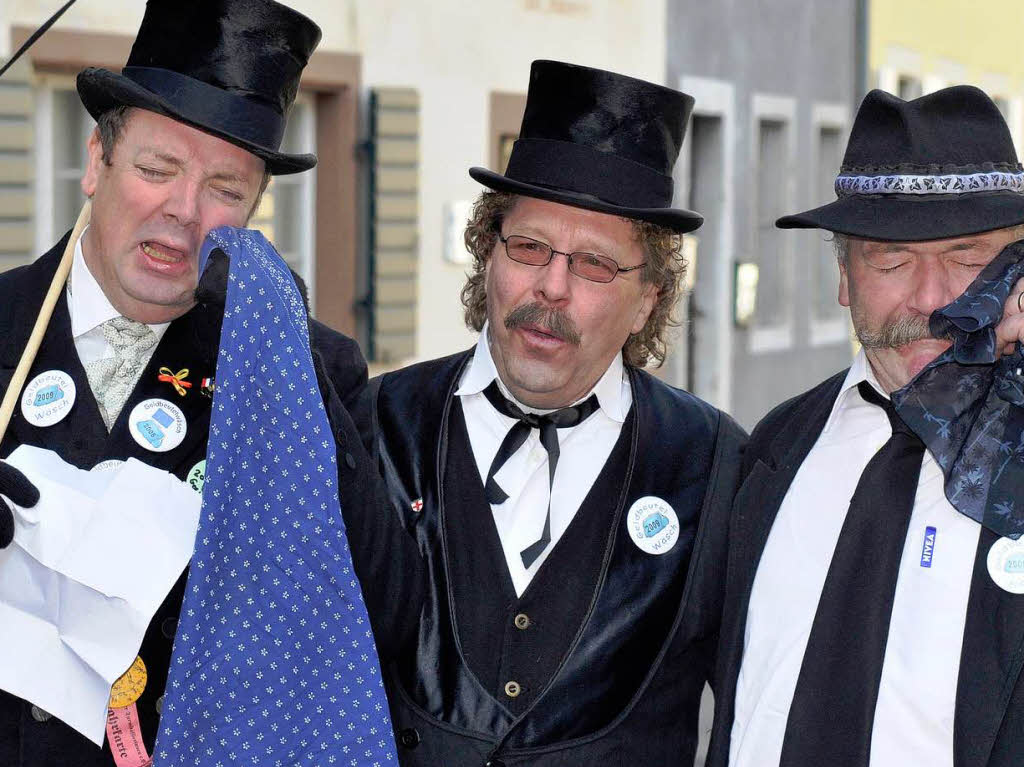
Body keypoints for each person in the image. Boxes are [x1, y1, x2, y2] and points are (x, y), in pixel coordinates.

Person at [0, 1, 418, 764]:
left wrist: (287, 364)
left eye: (225, 187)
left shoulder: (305, 371)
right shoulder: (2, 323)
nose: (184, 211)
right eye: (157, 169)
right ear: (96, 162)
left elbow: (383, 618)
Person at [355, 59, 747, 765]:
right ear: (488, 254)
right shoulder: (376, 422)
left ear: (648, 300)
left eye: (595, 264)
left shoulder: (716, 463)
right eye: (530, 247)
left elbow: (756, 714)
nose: (552, 286)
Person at [706, 86, 1024, 767]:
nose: (934, 297)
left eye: (969, 259)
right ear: (843, 274)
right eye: (892, 259)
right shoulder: (771, 451)